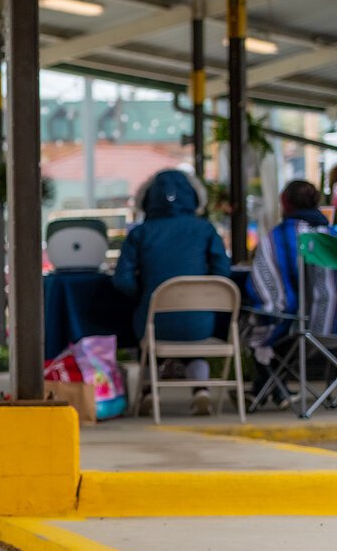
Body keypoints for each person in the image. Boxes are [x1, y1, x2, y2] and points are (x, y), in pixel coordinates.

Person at [113, 169, 232, 415]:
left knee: (147, 337)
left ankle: (148, 391)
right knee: (192, 334)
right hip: (199, 324)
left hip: (154, 321)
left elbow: (122, 280)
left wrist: (144, 294)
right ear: (194, 197)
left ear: (147, 199)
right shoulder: (206, 230)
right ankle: (201, 390)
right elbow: (223, 272)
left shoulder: (140, 233)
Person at [246, 179, 335, 389]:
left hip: (297, 328)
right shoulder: (331, 236)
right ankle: (274, 387)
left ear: (285, 203)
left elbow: (262, 287)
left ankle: (270, 385)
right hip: (331, 324)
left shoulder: (277, 238)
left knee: (256, 319)